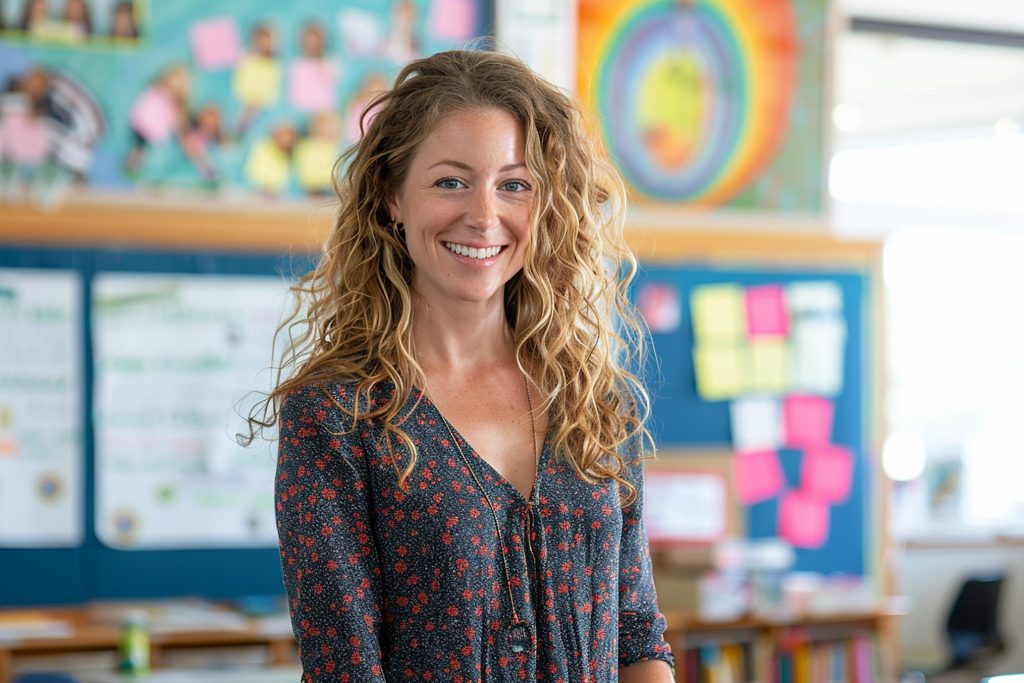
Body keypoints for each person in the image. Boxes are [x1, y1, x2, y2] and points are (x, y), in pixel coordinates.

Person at [245, 48, 674, 681]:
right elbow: (346, 670)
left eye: (514, 185)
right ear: (393, 197)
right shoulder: (338, 416)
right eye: (451, 180)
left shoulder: (593, 400)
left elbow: (637, 638)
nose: (483, 214)